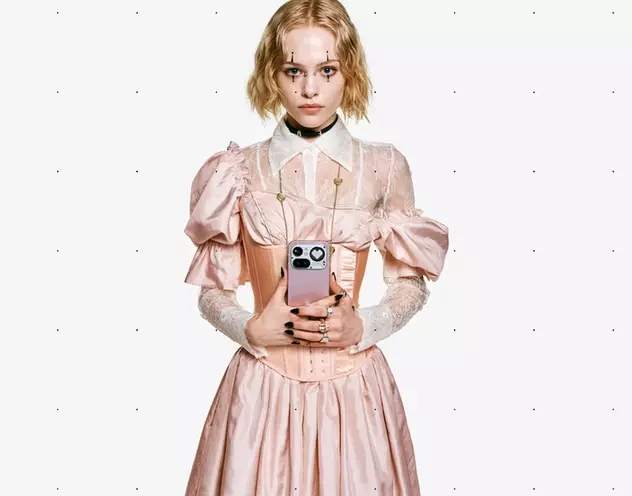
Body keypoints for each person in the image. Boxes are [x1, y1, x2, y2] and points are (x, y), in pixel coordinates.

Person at [182, 0, 449, 493]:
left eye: (327, 70)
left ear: (349, 72)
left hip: (354, 392)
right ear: (272, 75)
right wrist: (249, 328)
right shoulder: (237, 172)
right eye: (294, 71)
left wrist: (365, 324)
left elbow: (410, 284)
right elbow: (211, 291)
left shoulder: (384, 166)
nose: (310, 88)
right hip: (261, 389)